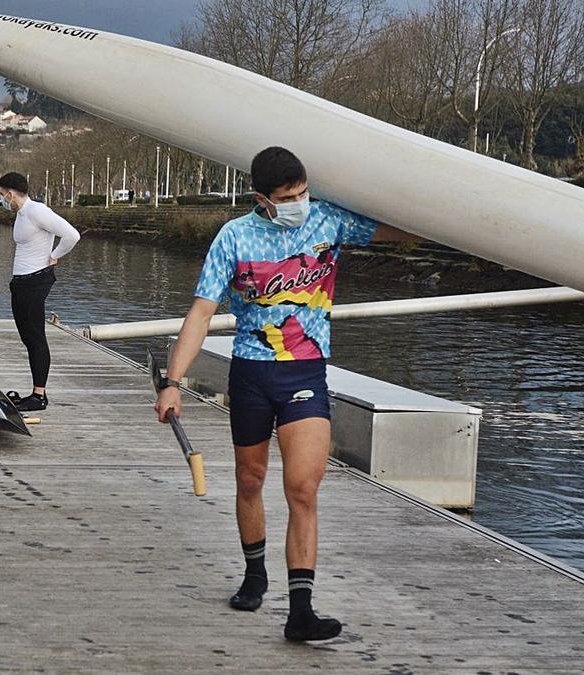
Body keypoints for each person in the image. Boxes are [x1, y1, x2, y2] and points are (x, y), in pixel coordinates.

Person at [154, 147, 425, 642]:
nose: (300, 202)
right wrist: (173, 383)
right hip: (252, 374)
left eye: (303, 192)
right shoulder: (234, 237)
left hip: (305, 372)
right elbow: (200, 313)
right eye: (288, 197)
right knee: (251, 478)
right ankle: (255, 574)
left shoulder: (329, 222)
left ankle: (301, 610)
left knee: (302, 488)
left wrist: (465, 220)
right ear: (264, 198)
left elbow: (408, 230)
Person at [0, 172, 81, 412]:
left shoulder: (37, 211)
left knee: (35, 337)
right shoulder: (22, 214)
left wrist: (54, 256)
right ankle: (35, 392)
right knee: (27, 336)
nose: (2, 201)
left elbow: (71, 235)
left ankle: (39, 395)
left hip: (35, 280)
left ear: (11, 194)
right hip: (22, 282)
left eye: (3, 196)